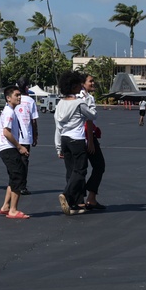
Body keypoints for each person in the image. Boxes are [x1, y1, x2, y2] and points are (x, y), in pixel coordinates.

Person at [54, 71, 97, 216]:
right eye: (79, 84)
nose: (81, 86)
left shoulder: (60, 103)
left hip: (64, 139)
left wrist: (58, 146)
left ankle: (72, 203)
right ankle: (67, 194)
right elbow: (92, 115)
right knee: (80, 170)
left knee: (71, 170)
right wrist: (90, 102)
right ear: (73, 87)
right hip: (76, 139)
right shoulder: (79, 103)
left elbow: (58, 126)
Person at [0, 85, 30, 219]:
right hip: (8, 148)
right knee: (18, 177)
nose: (19, 97)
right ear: (8, 98)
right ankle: (13, 210)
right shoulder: (9, 112)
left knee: (13, 177)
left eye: (19, 95)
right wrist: (19, 147)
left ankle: (6, 206)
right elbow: (6, 132)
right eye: (16, 95)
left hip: (8, 148)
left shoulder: (10, 111)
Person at [80, 74, 106, 210]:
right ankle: (90, 197)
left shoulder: (78, 96)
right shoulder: (86, 98)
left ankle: (83, 198)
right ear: (83, 83)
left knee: (81, 169)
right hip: (86, 136)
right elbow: (88, 120)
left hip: (82, 136)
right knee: (99, 165)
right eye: (90, 81)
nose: (93, 83)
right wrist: (90, 140)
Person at [14, 78, 39, 195]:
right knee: (24, 162)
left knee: (15, 162)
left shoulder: (12, 100)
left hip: (13, 137)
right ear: (26, 88)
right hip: (25, 137)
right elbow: (34, 121)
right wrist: (35, 136)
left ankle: (15, 185)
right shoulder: (30, 101)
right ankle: (22, 186)